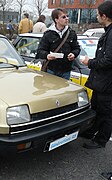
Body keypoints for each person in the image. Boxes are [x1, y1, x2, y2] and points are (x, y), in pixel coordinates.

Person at [80, 1, 112, 149]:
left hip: (107, 83)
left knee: (106, 114)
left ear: (104, 16)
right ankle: (91, 131)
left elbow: (108, 60)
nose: (97, 16)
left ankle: (100, 140)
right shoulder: (108, 32)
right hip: (101, 82)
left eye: (98, 14)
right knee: (97, 108)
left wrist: (89, 62)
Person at [35, 8, 80, 80]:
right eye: (63, 17)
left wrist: (73, 54)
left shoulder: (71, 33)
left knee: (64, 91)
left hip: (66, 70)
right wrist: (47, 55)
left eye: (67, 16)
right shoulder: (48, 34)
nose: (67, 19)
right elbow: (40, 51)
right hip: (51, 70)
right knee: (51, 90)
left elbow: (76, 48)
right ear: (56, 20)